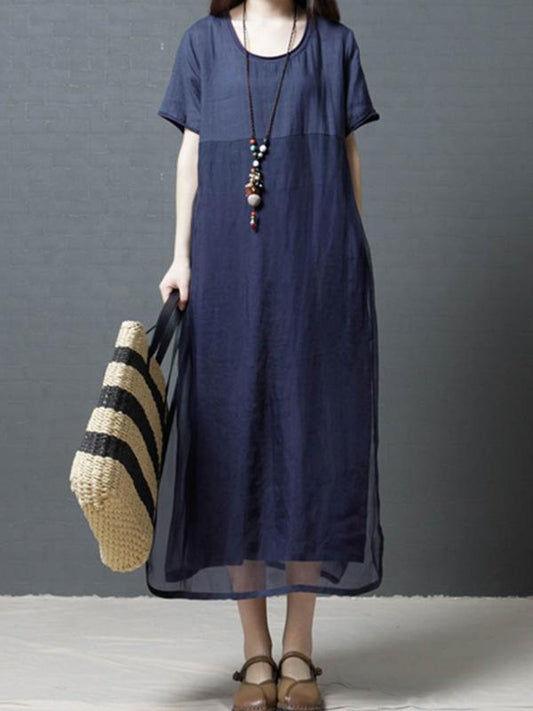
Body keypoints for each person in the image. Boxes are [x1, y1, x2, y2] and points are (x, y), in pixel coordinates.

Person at [147, 1, 384, 709]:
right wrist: (181, 257)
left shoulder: (335, 45)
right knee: (233, 446)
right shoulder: (202, 43)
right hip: (225, 271)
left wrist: (350, 256)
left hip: (317, 271)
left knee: (310, 450)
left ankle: (298, 650)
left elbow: (347, 155)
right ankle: (256, 652)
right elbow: (190, 153)